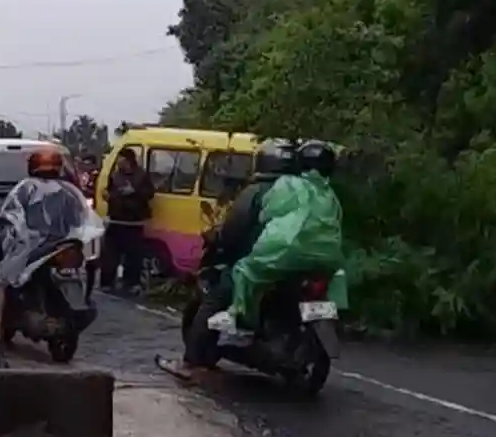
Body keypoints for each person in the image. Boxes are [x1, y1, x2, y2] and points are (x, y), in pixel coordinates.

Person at [156, 141, 296, 380]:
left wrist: (222, 245)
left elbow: (234, 229)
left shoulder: (256, 192)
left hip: (256, 264)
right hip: (297, 265)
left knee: (213, 300)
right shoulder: (304, 191)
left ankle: (191, 362)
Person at [221, 140, 343, 332]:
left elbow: (267, 213)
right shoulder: (330, 194)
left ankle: (242, 323)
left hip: (284, 252)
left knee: (243, 272)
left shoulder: (288, 184)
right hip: (328, 258)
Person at [0, 146, 93, 349]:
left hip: (34, 248)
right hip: (64, 246)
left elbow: (11, 214)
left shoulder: (25, 188)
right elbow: (81, 218)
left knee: (1, 281)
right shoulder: (69, 191)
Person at [99, 147, 154, 295]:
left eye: (121, 159)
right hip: (116, 220)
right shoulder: (115, 175)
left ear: (129, 160)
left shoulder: (141, 176)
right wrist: (107, 195)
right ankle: (107, 282)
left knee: (134, 255)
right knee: (110, 254)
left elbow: (150, 193)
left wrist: (134, 191)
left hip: (133, 222)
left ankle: (131, 283)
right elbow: (109, 190)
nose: (119, 162)